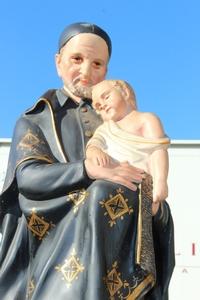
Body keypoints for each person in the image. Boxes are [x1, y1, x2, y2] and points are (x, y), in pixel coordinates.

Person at [0, 22, 175, 300]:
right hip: (56, 248)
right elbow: (28, 177)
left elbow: (149, 165)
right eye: (77, 59)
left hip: (119, 245)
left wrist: (154, 205)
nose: (86, 71)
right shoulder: (36, 120)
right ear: (59, 63)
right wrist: (85, 170)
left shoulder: (121, 119)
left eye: (97, 64)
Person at [86, 79, 170, 215]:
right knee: (96, 192)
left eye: (106, 97)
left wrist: (160, 182)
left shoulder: (147, 119)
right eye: (98, 107)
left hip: (140, 182)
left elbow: (157, 151)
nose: (103, 105)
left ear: (124, 91)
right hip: (113, 180)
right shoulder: (105, 129)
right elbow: (94, 144)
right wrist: (94, 151)